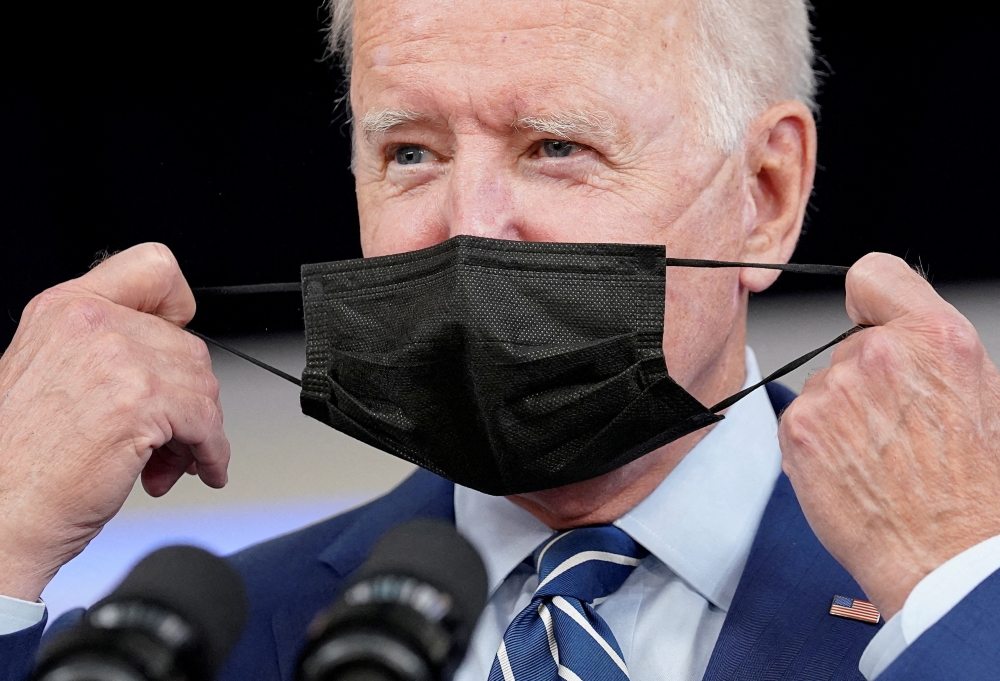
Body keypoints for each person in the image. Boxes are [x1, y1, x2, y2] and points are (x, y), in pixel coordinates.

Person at [2, 0, 1000, 678]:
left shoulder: (958, 599)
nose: (468, 225)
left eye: (556, 146)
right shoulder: (187, 647)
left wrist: (957, 592)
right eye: (411, 152)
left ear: (765, 195)